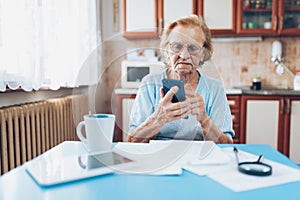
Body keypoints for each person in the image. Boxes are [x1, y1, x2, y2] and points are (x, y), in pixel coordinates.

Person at [128, 15, 234, 144]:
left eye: (193, 48)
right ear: (167, 51)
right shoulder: (149, 84)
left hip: (199, 159)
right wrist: (159, 118)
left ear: (203, 54)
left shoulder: (214, 88)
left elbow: (227, 145)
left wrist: (204, 119)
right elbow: (132, 141)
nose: (184, 56)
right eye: (177, 46)